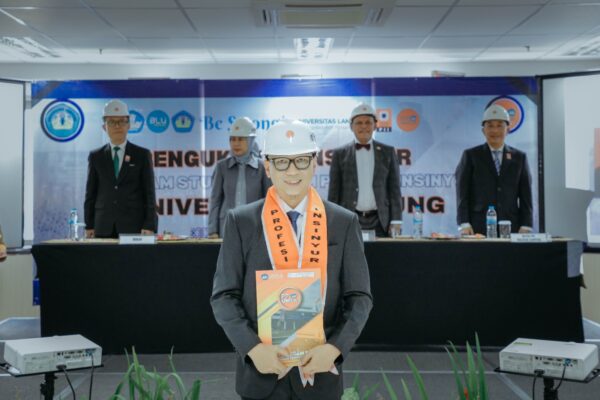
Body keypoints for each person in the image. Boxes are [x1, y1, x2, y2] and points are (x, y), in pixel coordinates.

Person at [211, 119, 372, 400]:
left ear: (314, 163)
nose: (293, 171)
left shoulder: (343, 222)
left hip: (320, 375)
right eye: (282, 162)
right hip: (261, 375)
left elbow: (359, 298)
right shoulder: (241, 222)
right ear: (268, 167)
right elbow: (223, 296)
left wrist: (334, 348)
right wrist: (253, 349)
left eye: (301, 160)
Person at [455, 104, 533, 235]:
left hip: (511, 225)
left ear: (508, 129)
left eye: (500, 125)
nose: (495, 130)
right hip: (477, 226)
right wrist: (464, 223)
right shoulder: (471, 155)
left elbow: (526, 195)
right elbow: (462, 192)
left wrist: (526, 224)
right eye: (490, 126)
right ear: (483, 130)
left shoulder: (520, 157)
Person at [84, 99, 157, 239]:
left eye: (122, 121)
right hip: (102, 225)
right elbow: (90, 194)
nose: (117, 126)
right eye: (111, 122)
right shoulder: (96, 156)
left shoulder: (142, 155)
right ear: (104, 127)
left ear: (128, 125)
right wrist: (89, 224)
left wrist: (149, 225)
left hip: (134, 225)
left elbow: (149, 194)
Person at [328, 103, 402, 237]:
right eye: (359, 123)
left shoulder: (388, 152)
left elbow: (394, 190)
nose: (364, 126)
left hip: (381, 221)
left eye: (368, 122)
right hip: (349, 219)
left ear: (375, 125)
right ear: (351, 127)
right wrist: (333, 220)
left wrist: (396, 220)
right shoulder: (340, 154)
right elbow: (334, 192)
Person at [208, 117, 271, 239]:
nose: (236, 143)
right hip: (227, 228)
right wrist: (212, 230)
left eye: (241, 139)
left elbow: (269, 201)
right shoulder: (222, 167)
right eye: (233, 139)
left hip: (256, 228)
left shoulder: (262, 167)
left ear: (251, 141)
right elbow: (215, 201)